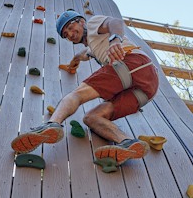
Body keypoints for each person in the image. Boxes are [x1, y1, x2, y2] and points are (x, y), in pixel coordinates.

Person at [10, 10, 159, 166]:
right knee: (92, 118)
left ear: (82, 21)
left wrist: (115, 40)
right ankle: (127, 143)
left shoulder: (94, 23)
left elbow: (115, 22)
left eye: (70, 26)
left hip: (131, 61)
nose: (70, 33)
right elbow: (85, 54)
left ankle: (52, 124)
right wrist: (75, 60)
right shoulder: (93, 46)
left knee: (76, 95)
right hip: (146, 89)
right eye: (66, 34)